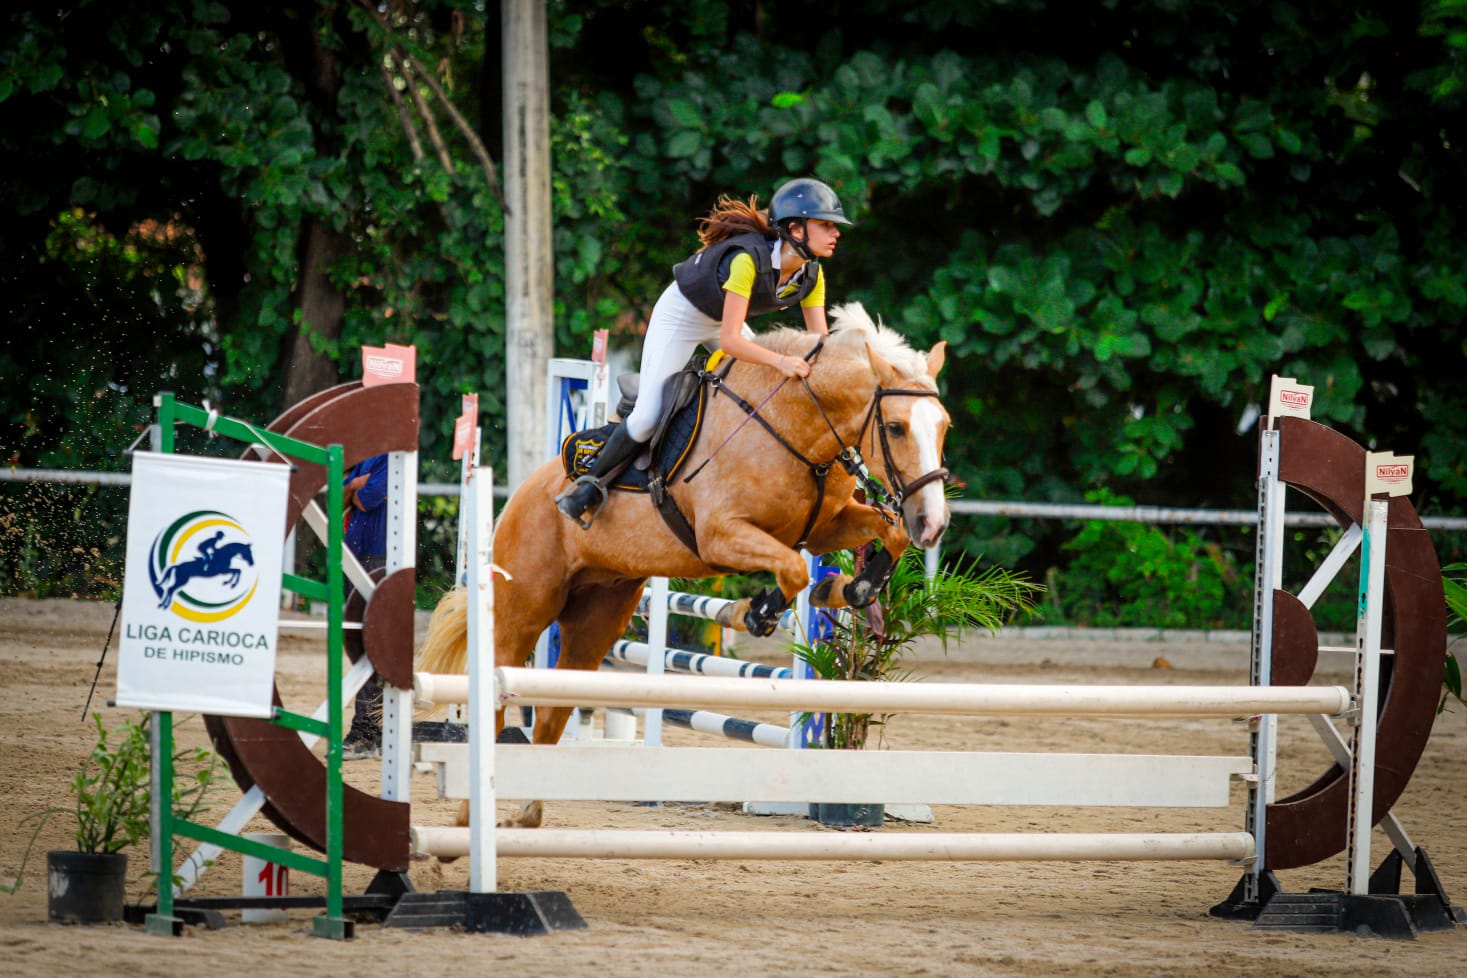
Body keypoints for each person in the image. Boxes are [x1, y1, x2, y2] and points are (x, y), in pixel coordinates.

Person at [555, 177, 850, 525]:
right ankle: (588, 487)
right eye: (826, 225)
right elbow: (731, 343)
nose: (836, 233)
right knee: (649, 414)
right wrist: (781, 360)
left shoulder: (811, 275)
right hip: (683, 314)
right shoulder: (747, 260)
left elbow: (822, 344)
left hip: (724, 318)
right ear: (796, 229)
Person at [341, 453, 389, 760]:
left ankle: (367, 731)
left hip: (376, 558)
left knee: (369, 646)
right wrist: (353, 485)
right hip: (358, 556)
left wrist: (353, 486)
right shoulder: (367, 458)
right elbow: (341, 495)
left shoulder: (387, 456)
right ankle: (372, 728)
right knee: (360, 644)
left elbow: (363, 500)